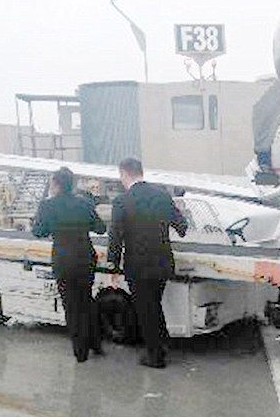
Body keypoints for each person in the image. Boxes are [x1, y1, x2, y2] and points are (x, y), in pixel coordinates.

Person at [108, 157, 188, 368]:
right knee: (154, 304)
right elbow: (182, 226)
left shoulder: (121, 201)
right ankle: (162, 343)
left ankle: (155, 356)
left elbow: (115, 237)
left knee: (146, 310)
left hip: (138, 266)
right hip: (162, 263)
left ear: (124, 174)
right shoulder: (162, 196)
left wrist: (113, 266)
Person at [32, 167, 106, 361]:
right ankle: (96, 344)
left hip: (64, 261)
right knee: (86, 299)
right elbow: (100, 228)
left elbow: (38, 231)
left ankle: (81, 351)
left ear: (56, 184)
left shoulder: (48, 205)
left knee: (71, 305)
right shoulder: (84, 203)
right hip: (85, 258)